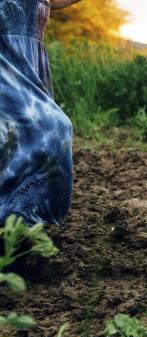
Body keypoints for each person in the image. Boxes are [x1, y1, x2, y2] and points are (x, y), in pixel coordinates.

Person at [0, 0, 81, 226]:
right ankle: (16, 218)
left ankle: (18, 226)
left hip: (27, 62)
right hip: (5, 63)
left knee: (19, 140)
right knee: (53, 128)